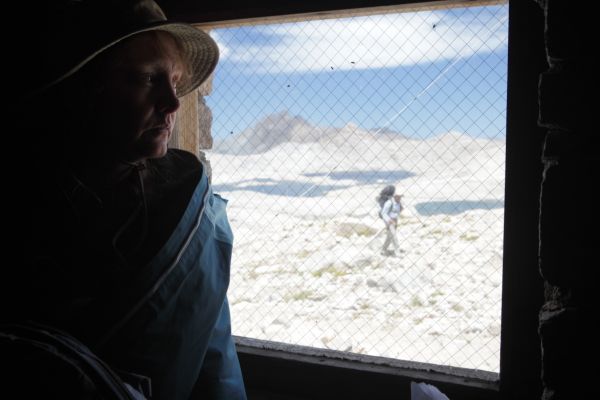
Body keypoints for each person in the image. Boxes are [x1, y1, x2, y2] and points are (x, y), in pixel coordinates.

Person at [3, 1, 246, 399]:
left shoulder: (192, 211)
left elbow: (213, 355)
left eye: (176, 79)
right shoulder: (20, 214)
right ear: (85, 89)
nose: (172, 103)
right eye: (148, 78)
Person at [380, 192, 404, 256]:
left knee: (389, 237)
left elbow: (398, 211)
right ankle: (397, 251)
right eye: (399, 196)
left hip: (395, 221)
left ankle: (383, 250)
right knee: (394, 235)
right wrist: (389, 220)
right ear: (395, 196)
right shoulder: (389, 203)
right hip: (389, 221)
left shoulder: (398, 203)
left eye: (401, 197)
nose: (400, 198)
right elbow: (383, 213)